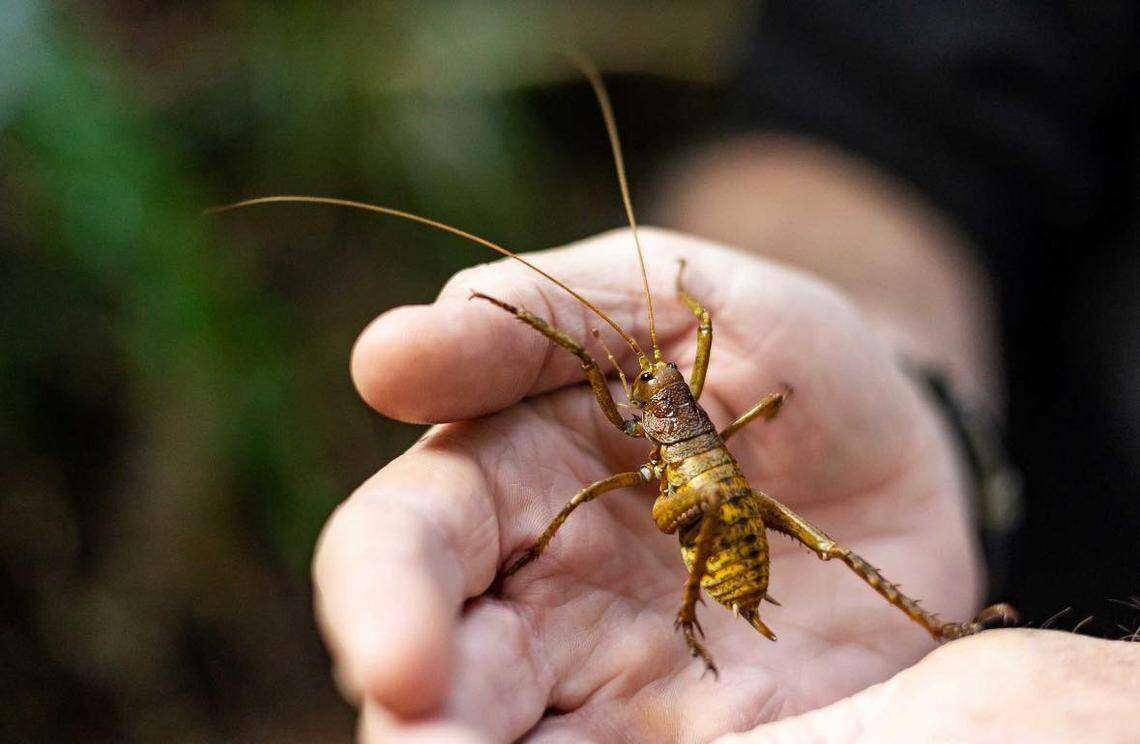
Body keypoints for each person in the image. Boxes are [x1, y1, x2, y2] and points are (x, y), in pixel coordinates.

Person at [314, 3, 1140, 741]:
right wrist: (919, 398)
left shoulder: (662, 424)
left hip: (727, 506)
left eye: (661, 383)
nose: (652, 386)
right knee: (698, 496)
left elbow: (688, 361)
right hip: (717, 493)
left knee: (797, 536)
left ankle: (906, 624)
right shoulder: (657, 417)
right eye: (650, 387)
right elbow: (887, 120)